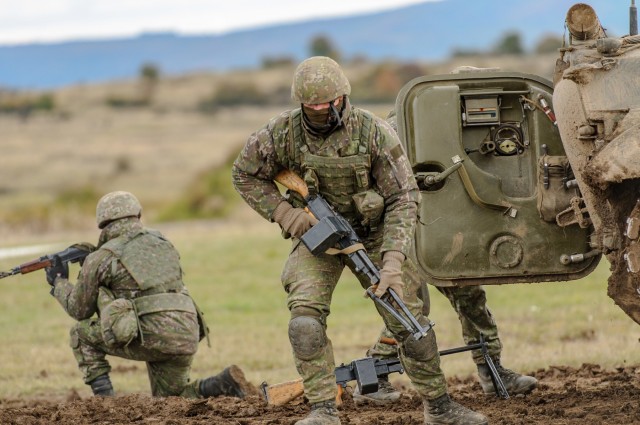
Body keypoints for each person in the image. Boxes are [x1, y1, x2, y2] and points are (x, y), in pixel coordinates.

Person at [232, 56, 487, 425]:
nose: (318, 112)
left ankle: (440, 408)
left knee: (410, 323)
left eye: (325, 104)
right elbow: (244, 173)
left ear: (342, 98)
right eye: (310, 106)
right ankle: (322, 410)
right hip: (317, 236)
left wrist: (394, 261)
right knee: (304, 322)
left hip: (376, 232)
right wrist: (287, 215)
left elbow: (404, 197)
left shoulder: (374, 132)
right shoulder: (282, 133)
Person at [352, 112, 538, 405]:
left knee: (470, 296)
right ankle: (374, 378)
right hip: (400, 234)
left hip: (443, 233)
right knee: (409, 307)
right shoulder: (401, 124)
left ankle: (493, 371)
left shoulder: (466, 138)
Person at [46, 191, 249, 399]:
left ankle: (104, 401)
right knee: (171, 399)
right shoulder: (162, 241)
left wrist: (59, 282)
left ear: (103, 222)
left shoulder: (101, 257)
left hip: (151, 334)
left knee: (80, 334)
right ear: (137, 215)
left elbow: (79, 310)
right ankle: (221, 383)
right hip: (187, 330)